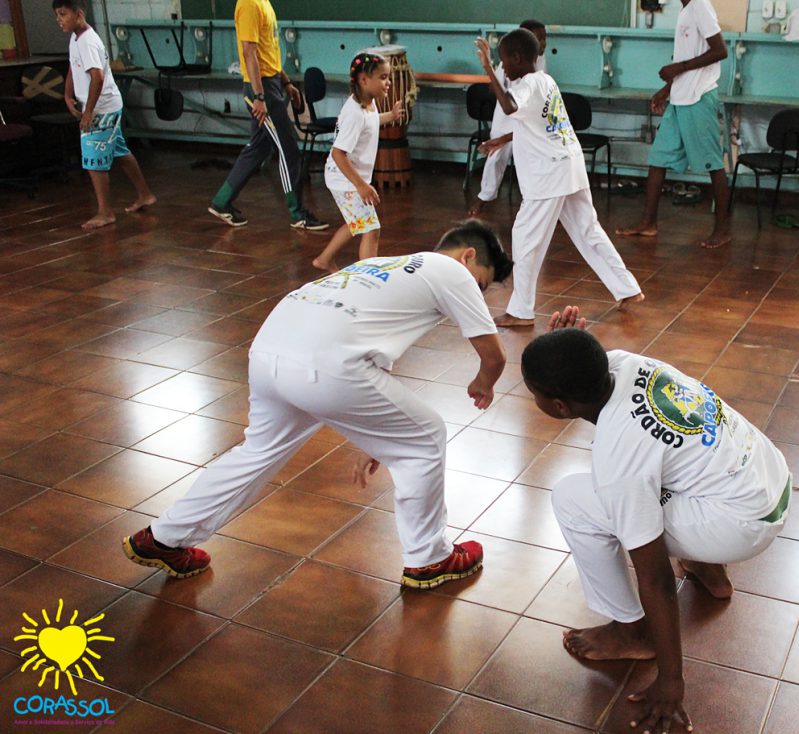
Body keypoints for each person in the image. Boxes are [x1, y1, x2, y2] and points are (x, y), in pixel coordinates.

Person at [123, 220, 512, 589]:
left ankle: (163, 537)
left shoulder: (379, 265)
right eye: (481, 283)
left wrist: (375, 439)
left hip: (269, 352)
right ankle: (430, 558)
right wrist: (484, 382)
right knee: (427, 436)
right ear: (467, 257)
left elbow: (372, 368)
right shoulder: (451, 270)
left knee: (256, 452)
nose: (476, 294)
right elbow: (493, 356)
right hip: (323, 365)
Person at [521, 309, 791, 733]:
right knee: (663, 469)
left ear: (559, 406)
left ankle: (631, 632)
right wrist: (565, 346)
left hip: (741, 524)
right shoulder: (627, 362)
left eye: (534, 393)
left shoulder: (619, 462)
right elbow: (583, 362)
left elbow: (656, 578)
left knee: (573, 498)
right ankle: (706, 564)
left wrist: (671, 681)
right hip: (768, 479)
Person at [475, 29, 644, 328]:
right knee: (587, 230)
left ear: (517, 59)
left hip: (548, 175)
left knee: (526, 238)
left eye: (503, 63)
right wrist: (500, 140)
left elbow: (510, 106)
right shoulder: (546, 81)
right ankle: (627, 288)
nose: (503, 68)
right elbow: (536, 124)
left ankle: (520, 312)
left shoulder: (527, 84)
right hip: (570, 166)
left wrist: (488, 69)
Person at [616, 0, 731, 249]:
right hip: (679, 99)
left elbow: (721, 50)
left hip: (699, 98)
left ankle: (722, 229)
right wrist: (666, 90)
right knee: (658, 159)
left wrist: (679, 67)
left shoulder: (700, 5)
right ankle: (648, 222)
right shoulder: (686, 10)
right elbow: (686, 59)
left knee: (712, 163)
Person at [207, 0, 327, 230]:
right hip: (261, 89)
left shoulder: (263, 3)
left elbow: (267, 52)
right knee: (288, 148)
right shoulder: (249, 4)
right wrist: (260, 96)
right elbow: (248, 52)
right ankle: (297, 213)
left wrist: (286, 82)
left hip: (270, 84)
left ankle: (221, 202)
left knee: (259, 147)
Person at [53, 0, 156, 231]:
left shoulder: (88, 41)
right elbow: (73, 66)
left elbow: (97, 77)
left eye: (62, 14)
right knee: (119, 151)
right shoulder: (75, 37)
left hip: (102, 108)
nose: (59, 20)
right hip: (101, 106)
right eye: (56, 15)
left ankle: (105, 212)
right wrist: (67, 94)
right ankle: (145, 194)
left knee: (93, 161)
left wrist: (88, 112)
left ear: (78, 14)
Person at [312, 53, 405, 272]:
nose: (388, 82)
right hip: (344, 178)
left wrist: (389, 116)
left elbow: (370, 121)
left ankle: (324, 260)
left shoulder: (367, 105)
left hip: (346, 177)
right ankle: (368, 277)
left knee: (357, 223)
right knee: (371, 229)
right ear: (364, 80)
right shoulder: (354, 113)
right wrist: (361, 185)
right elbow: (338, 154)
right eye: (383, 77)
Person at [467, 19, 547, 218]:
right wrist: (492, 69)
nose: (543, 43)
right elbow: (500, 96)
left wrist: (488, 67)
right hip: (506, 117)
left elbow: (525, 102)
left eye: (544, 39)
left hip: (525, 116)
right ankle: (484, 197)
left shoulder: (541, 68)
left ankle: (534, 201)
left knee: (529, 159)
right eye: (539, 39)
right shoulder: (509, 63)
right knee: (496, 157)